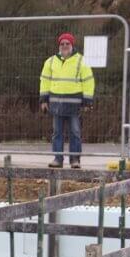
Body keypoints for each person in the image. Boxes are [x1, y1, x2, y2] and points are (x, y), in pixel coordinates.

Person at [40, 32, 95, 168]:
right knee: (57, 133)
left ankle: (75, 160)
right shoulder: (50, 61)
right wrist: (43, 100)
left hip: (74, 105)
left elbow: (88, 82)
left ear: (72, 45)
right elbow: (44, 82)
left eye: (67, 43)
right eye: (62, 44)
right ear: (59, 46)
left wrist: (87, 102)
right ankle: (58, 159)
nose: (64, 46)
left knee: (75, 133)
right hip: (56, 105)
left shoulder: (82, 61)